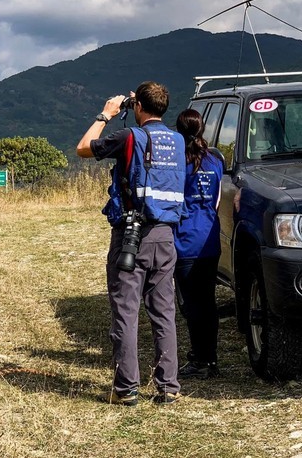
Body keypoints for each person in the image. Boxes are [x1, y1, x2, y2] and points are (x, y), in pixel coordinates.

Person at [76, 81, 186, 406]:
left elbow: (83, 148)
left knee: (126, 311)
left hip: (131, 235)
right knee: (164, 311)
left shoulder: (129, 137)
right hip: (166, 235)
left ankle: (126, 389)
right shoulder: (178, 140)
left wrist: (106, 114)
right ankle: (168, 386)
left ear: (138, 107)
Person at [173, 109, 223, 379]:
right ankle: (211, 358)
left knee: (191, 305)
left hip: (184, 240)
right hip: (210, 238)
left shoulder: (178, 162)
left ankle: (199, 359)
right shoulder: (215, 160)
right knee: (208, 302)